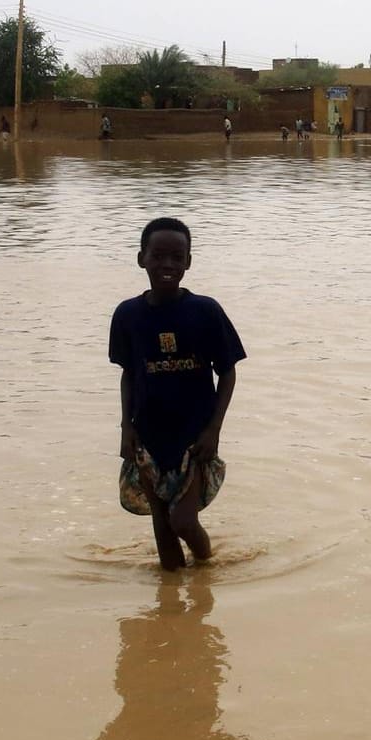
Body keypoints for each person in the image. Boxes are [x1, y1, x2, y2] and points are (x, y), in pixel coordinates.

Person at [111, 217, 246, 571]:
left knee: (183, 521)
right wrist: (126, 427)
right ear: (142, 258)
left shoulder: (205, 311)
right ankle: (171, 607)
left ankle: (208, 569)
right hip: (149, 436)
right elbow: (129, 373)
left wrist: (214, 430)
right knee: (163, 529)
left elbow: (228, 371)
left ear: (189, 261)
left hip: (194, 437)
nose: (167, 265)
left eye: (176, 257)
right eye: (158, 256)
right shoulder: (128, 315)